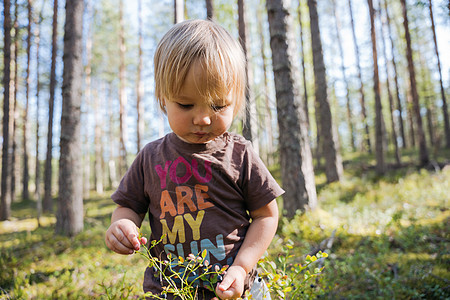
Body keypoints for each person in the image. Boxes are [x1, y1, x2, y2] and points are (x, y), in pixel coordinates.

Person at [105, 19, 284, 300]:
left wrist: (241, 267)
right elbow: (127, 207)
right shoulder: (150, 158)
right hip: (169, 291)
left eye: (217, 105)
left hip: (233, 288)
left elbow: (266, 215)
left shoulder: (239, 154)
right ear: (163, 98)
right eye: (186, 104)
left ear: (236, 100)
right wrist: (122, 226)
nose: (202, 118)